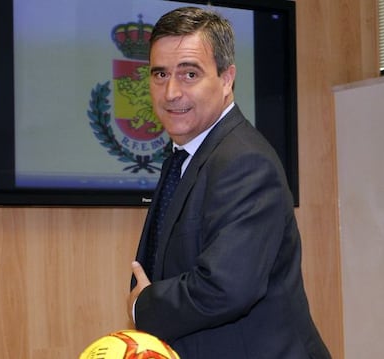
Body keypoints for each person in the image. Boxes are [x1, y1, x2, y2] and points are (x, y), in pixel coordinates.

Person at [127, 6, 331, 358]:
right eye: (160, 74)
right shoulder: (184, 155)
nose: (171, 91)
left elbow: (225, 287)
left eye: (189, 74)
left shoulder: (244, 161)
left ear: (226, 79)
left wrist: (142, 306)